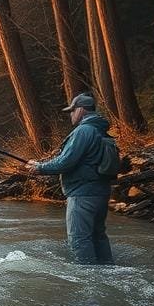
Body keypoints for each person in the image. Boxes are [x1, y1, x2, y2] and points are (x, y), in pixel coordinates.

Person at [26, 93, 114, 265]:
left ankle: (89, 279)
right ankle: (108, 271)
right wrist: (40, 164)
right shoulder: (100, 130)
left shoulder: (83, 131)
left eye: (72, 111)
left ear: (80, 110)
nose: (71, 115)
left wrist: (39, 168)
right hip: (100, 193)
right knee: (98, 236)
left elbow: (66, 162)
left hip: (82, 194)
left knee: (79, 239)